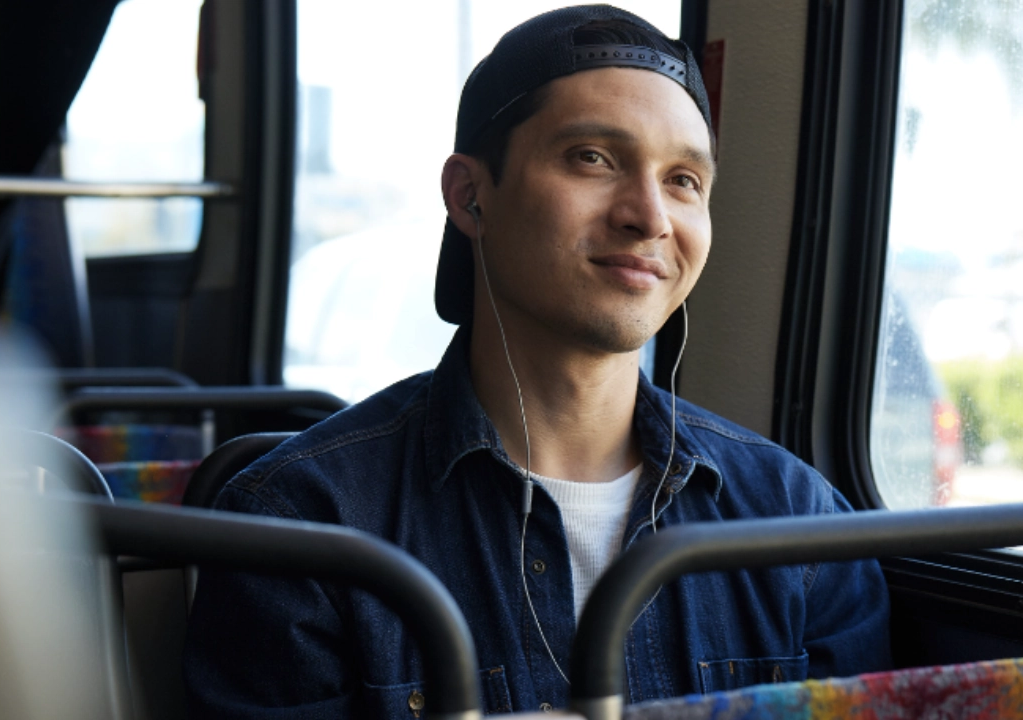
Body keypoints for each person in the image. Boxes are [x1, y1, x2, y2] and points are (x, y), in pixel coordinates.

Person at [183, 5, 890, 718]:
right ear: (469, 195)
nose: (649, 216)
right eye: (593, 158)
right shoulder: (304, 526)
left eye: (683, 180)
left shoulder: (797, 524)